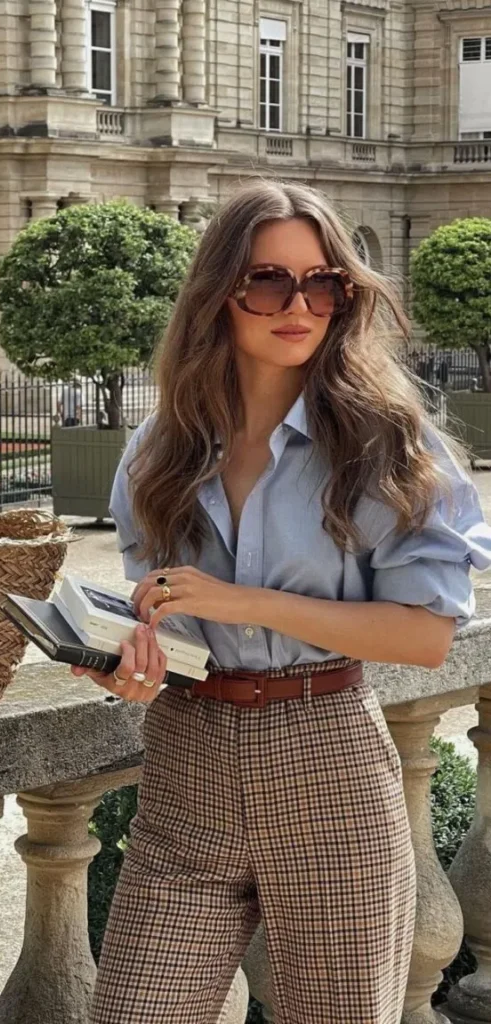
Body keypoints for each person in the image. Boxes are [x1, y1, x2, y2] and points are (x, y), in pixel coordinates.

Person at [71, 180, 491, 1024]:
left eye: (323, 282)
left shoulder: (387, 445)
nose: (298, 305)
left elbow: (422, 636)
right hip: (187, 758)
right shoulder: (158, 450)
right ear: (218, 293)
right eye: (268, 280)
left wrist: (246, 602)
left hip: (327, 762)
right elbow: (166, 619)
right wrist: (130, 665)